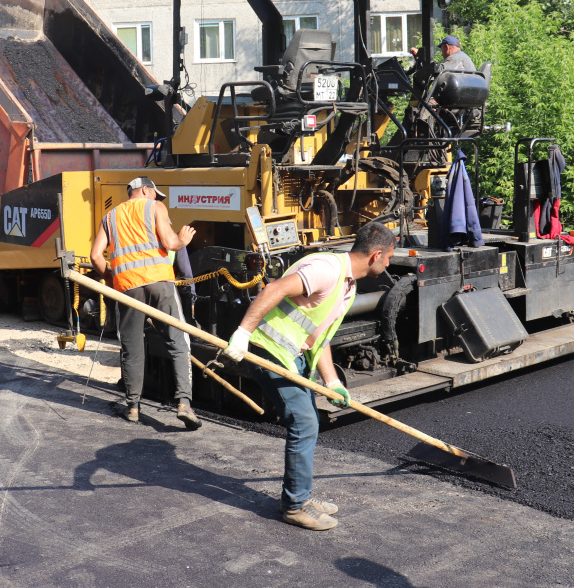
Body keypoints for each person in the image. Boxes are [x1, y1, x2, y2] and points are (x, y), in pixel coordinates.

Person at [218, 222, 397, 531]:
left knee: (308, 421)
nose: (389, 263)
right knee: (304, 424)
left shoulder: (346, 283)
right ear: (376, 254)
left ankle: (301, 495)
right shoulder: (326, 269)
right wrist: (242, 334)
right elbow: (273, 289)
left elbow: (320, 335)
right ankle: (295, 506)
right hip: (268, 348)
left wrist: (332, 382)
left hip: (292, 354)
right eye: (389, 257)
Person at [90, 177, 201, 427]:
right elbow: (170, 243)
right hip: (159, 283)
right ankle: (184, 403)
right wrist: (183, 240)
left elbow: (96, 256)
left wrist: (111, 277)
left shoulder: (109, 217)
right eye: (155, 194)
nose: (157, 199)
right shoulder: (154, 208)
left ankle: (132, 407)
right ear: (145, 190)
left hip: (127, 287)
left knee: (132, 347)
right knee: (178, 341)